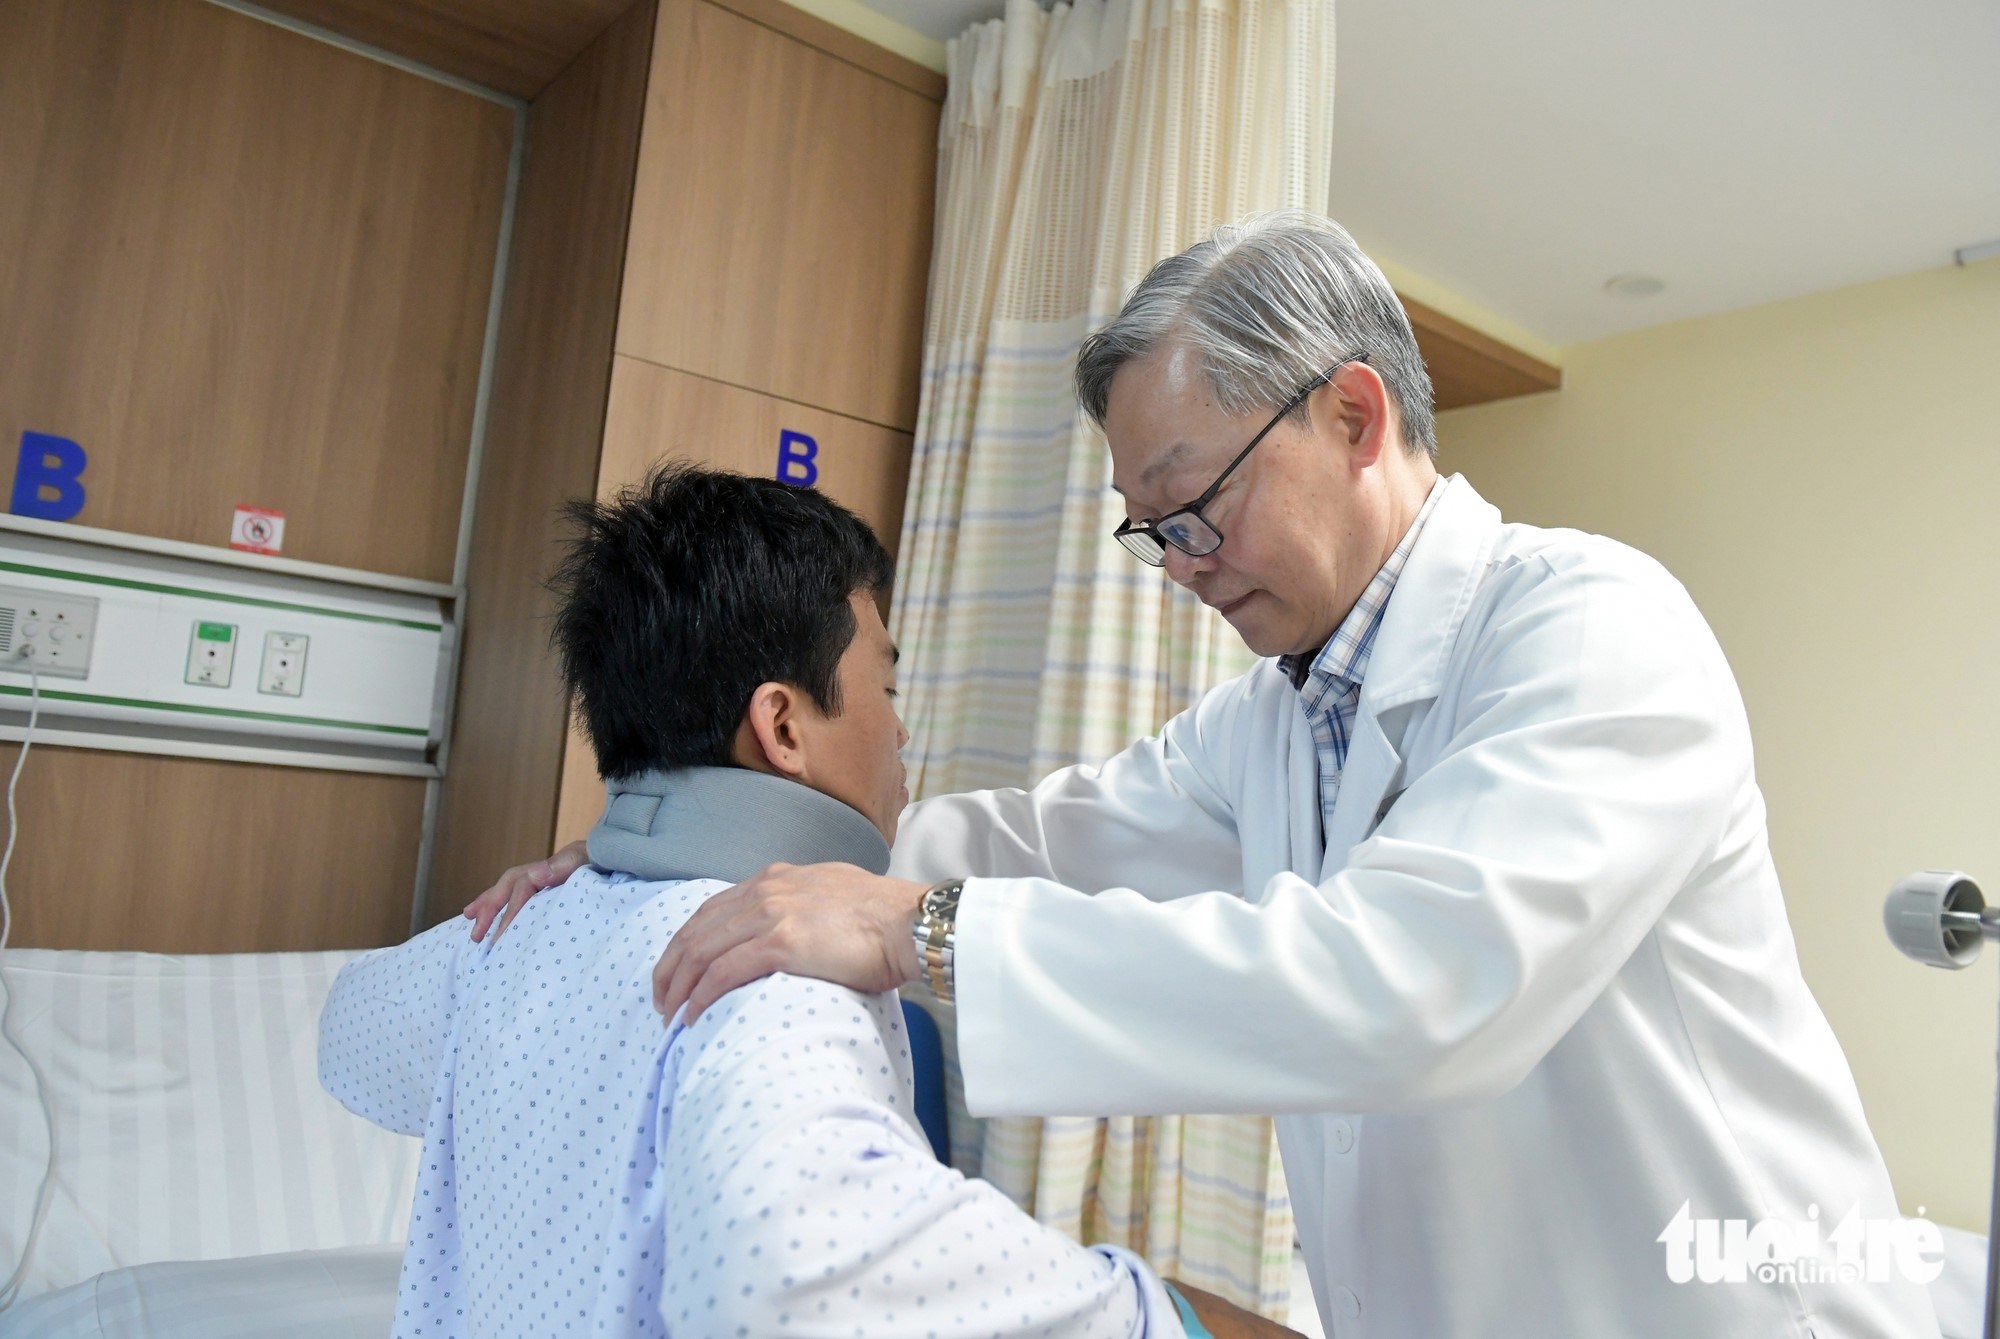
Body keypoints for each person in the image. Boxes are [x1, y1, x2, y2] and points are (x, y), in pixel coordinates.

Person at [471, 214, 1937, 1337]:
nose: (1181, 568)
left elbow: (1414, 984)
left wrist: (911, 928)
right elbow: (1041, 839)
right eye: (1151, 531)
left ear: (1354, 415)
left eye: (1195, 507)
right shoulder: (1271, 718)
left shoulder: (1591, 629)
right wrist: (697, 839)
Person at [325, 466, 1288, 1339]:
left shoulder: (508, 935)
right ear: (781, 724)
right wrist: (1159, 1319)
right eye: (887, 681)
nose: (903, 727)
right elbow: (798, 1281)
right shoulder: (767, 968)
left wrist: (625, 849)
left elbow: (347, 1038)